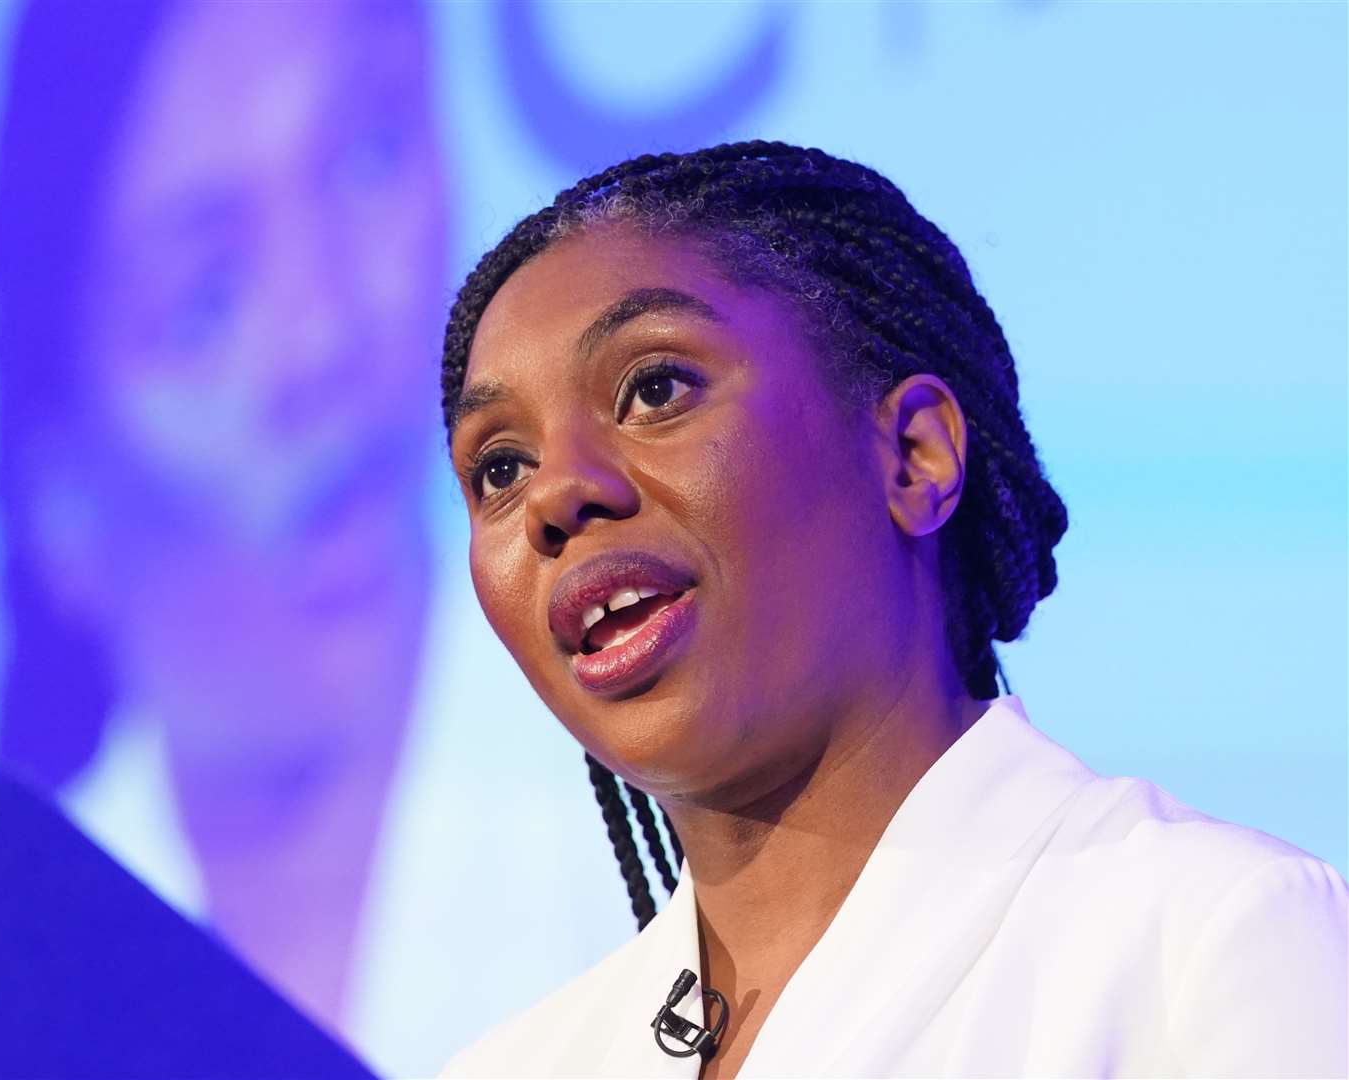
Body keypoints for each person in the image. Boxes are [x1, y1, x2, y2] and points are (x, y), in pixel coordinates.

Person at [435, 142, 1348, 1077]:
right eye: (499, 467)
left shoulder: (1200, 943)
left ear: (914, 455)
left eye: (655, 389)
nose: (555, 497)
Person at [0, 0, 444, 1030]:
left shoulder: (709, 852)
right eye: (204, 300)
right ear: (61, 503)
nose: (323, 336)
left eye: (370, 154)